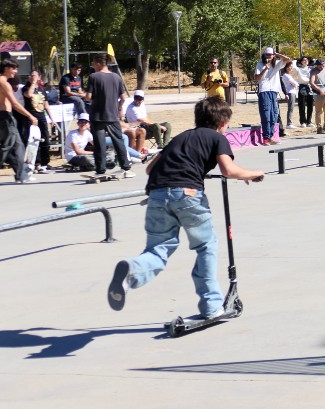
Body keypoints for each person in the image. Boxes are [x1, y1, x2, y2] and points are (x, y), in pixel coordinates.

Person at [106, 96, 265, 320]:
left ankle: (131, 270)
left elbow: (151, 168)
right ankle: (211, 306)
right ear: (222, 123)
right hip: (188, 194)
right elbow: (228, 170)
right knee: (206, 245)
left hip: (157, 195)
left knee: (157, 251)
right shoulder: (217, 137)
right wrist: (253, 173)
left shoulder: (180, 137)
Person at [86, 53, 132, 179]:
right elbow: (123, 97)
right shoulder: (116, 77)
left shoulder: (93, 77)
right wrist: (119, 108)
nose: (93, 67)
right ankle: (126, 167)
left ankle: (101, 170)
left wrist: (84, 96)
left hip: (97, 115)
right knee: (118, 141)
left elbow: (88, 97)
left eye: (94, 64)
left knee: (99, 143)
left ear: (99, 64)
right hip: (112, 115)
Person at [1, 58, 37, 183]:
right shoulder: (3, 82)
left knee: (17, 146)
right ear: (6, 68)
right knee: (8, 147)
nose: (15, 72)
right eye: (14, 68)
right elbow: (15, 103)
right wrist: (30, 116)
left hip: (7, 116)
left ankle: (21, 175)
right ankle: (21, 174)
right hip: (5, 117)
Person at [254, 46, 292, 145]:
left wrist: (277, 54)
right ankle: (266, 137)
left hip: (274, 91)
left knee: (274, 115)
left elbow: (288, 59)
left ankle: (270, 136)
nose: (268, 57)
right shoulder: (260, 64)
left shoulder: (277, 65)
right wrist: (264, 69)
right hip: (264, 90)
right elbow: (256, 78)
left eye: (270, 55)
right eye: (267, 55)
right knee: (266, 114)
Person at [18, 70, 51, 173]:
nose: (32, 77)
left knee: (45, 139)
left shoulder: (42, 88)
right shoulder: (26, 88)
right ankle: (34, 163)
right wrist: (33, 83)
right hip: (31, 117)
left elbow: (46, 104)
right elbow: (29, 94)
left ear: (39, 76)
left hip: (41, 116)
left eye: (34, 76)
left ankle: (44, 164)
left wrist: (51, 118)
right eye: (31, 75)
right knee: (32, 141)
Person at [309, 59, 325, 133]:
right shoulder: (314, 72)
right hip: (319, 93)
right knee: (319, 111)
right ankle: (319, 128)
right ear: (317, 65)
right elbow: (312, 83)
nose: (322, 67)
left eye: (323, 65)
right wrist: (319, 90)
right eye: (320, 66)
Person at [280, 62, 299, 135]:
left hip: (293, 92)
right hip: (290, 92)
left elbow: (295, 84)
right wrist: (295, 84)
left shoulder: (289, 75)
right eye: (289, 67)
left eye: (291, 67)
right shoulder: (285, 75)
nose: (291, 68)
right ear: (286, 67)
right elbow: (294, 83)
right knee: (290, 108)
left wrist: (295, 84)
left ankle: (290, 122)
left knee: (292, 107)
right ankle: (289, 123)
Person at [295, 56, 314, 127]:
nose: (305, 61)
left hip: (310, 86)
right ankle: (303, 121)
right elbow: (293, 65)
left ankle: (309, 121)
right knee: (302, 105)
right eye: (304, 60)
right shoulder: (298, 69)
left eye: (307, 60)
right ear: (301, 62)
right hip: (302, 86)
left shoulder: (311, 69)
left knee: (310, 105)